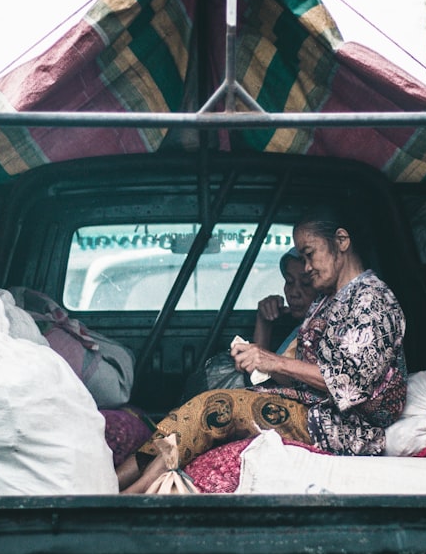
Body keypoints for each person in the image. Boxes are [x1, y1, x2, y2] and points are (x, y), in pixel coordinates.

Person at [117, 206, 409, 493]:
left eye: (310, 254)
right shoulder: (327, 301)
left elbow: (348, 384)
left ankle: (131, 497)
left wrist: (274, 362)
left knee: (216, 408)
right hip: (311, 408)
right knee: (183, 417)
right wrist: (258, 362)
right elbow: (305, 374)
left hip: (342, 428)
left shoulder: (372, 301)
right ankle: (113, 482)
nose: (306, 267)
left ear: (342, 241)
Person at [251, 247, 317, 357]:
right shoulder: (301, 329)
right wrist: (264, 322)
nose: (294, 293)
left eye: (306, 283)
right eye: (289, 281)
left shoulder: (322, 333)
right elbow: (259, 371)